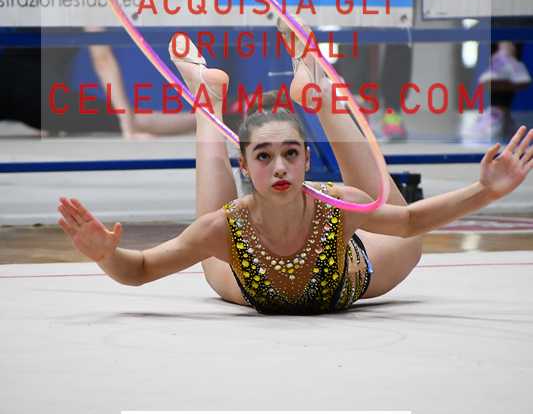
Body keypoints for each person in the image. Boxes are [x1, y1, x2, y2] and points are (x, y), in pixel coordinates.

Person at [57, 27, 533, 316]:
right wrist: (107, 256)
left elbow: (408, 222)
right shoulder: (225, 227)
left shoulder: (335, 205)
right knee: (212, 242)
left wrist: (484, 191)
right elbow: (139, 270)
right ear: (245, 166)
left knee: (402, 234)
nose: (280, 166)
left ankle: (318, 97)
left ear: (307, 158)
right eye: (264, 157)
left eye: (290, 153)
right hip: (248, 276)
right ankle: (210, 98)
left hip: (353, 271)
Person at [0, 28, 195, 139]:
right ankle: (207, 118)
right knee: (132, 119)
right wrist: (126, 124)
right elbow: (102, 59)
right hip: (36, 95)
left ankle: (206, 118)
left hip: (15, 82)